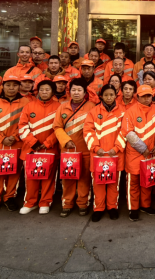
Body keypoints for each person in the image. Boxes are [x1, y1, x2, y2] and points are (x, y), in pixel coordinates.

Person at [0, 74, 30, 215]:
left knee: (14, 173)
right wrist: (1, 138)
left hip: (17, 144)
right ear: (2, 86)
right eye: (8, 85)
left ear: (19, 87)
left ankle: (9, 197)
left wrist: (15, 137)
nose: (11, 88)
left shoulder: (26, 102)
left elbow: (27, 123)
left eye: (15, 85)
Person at [53, 78, 96, 218]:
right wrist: (66, 141)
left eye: (79, 90)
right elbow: (57, 127)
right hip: (68, 150)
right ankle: (67, 204)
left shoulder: (92, 107)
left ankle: (83, 203)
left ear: (85, 92)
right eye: (73, 90)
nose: (76, 93)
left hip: (85, 150)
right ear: (69, 91)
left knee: (84, 178)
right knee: (67, 178)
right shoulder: (62, 107)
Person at [118, 85, 155, 222]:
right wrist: (143, 148)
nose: (146, 98)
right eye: (143, 96)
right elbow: (128, 132)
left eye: (149, 96)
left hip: (152, 152)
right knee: (133, 183)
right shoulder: (130, 111)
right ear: (137, 97)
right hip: (134, 153)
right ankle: (133, 208)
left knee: (148, 181)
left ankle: (145, 205)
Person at [84, 85, 126, 222]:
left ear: (116, 96)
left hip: (115, 154)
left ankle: (112, 207)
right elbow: (88, 131)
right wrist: (96, 148)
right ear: (101, 96)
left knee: (114, 183)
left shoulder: (123, 111)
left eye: (111, 95)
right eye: (106, 95)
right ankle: (98, 208)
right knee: (98, 183)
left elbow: (126, 131)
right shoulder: (93, 111)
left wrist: (117, 147)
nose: (109, 97)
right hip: (98, 154)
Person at [18, 80, 61, 215]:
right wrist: (33, 143)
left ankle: (45, 202)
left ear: (53, 92)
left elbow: (60, 128)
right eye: (41, 90)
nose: (44, 92)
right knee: (31, 178)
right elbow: (22, 126)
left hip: (50, 149)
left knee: (48, 178)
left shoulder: (59, 107)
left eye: (47, 90)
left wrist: (48, 143)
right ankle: (30, 203)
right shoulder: (29, 106)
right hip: (31, 149)